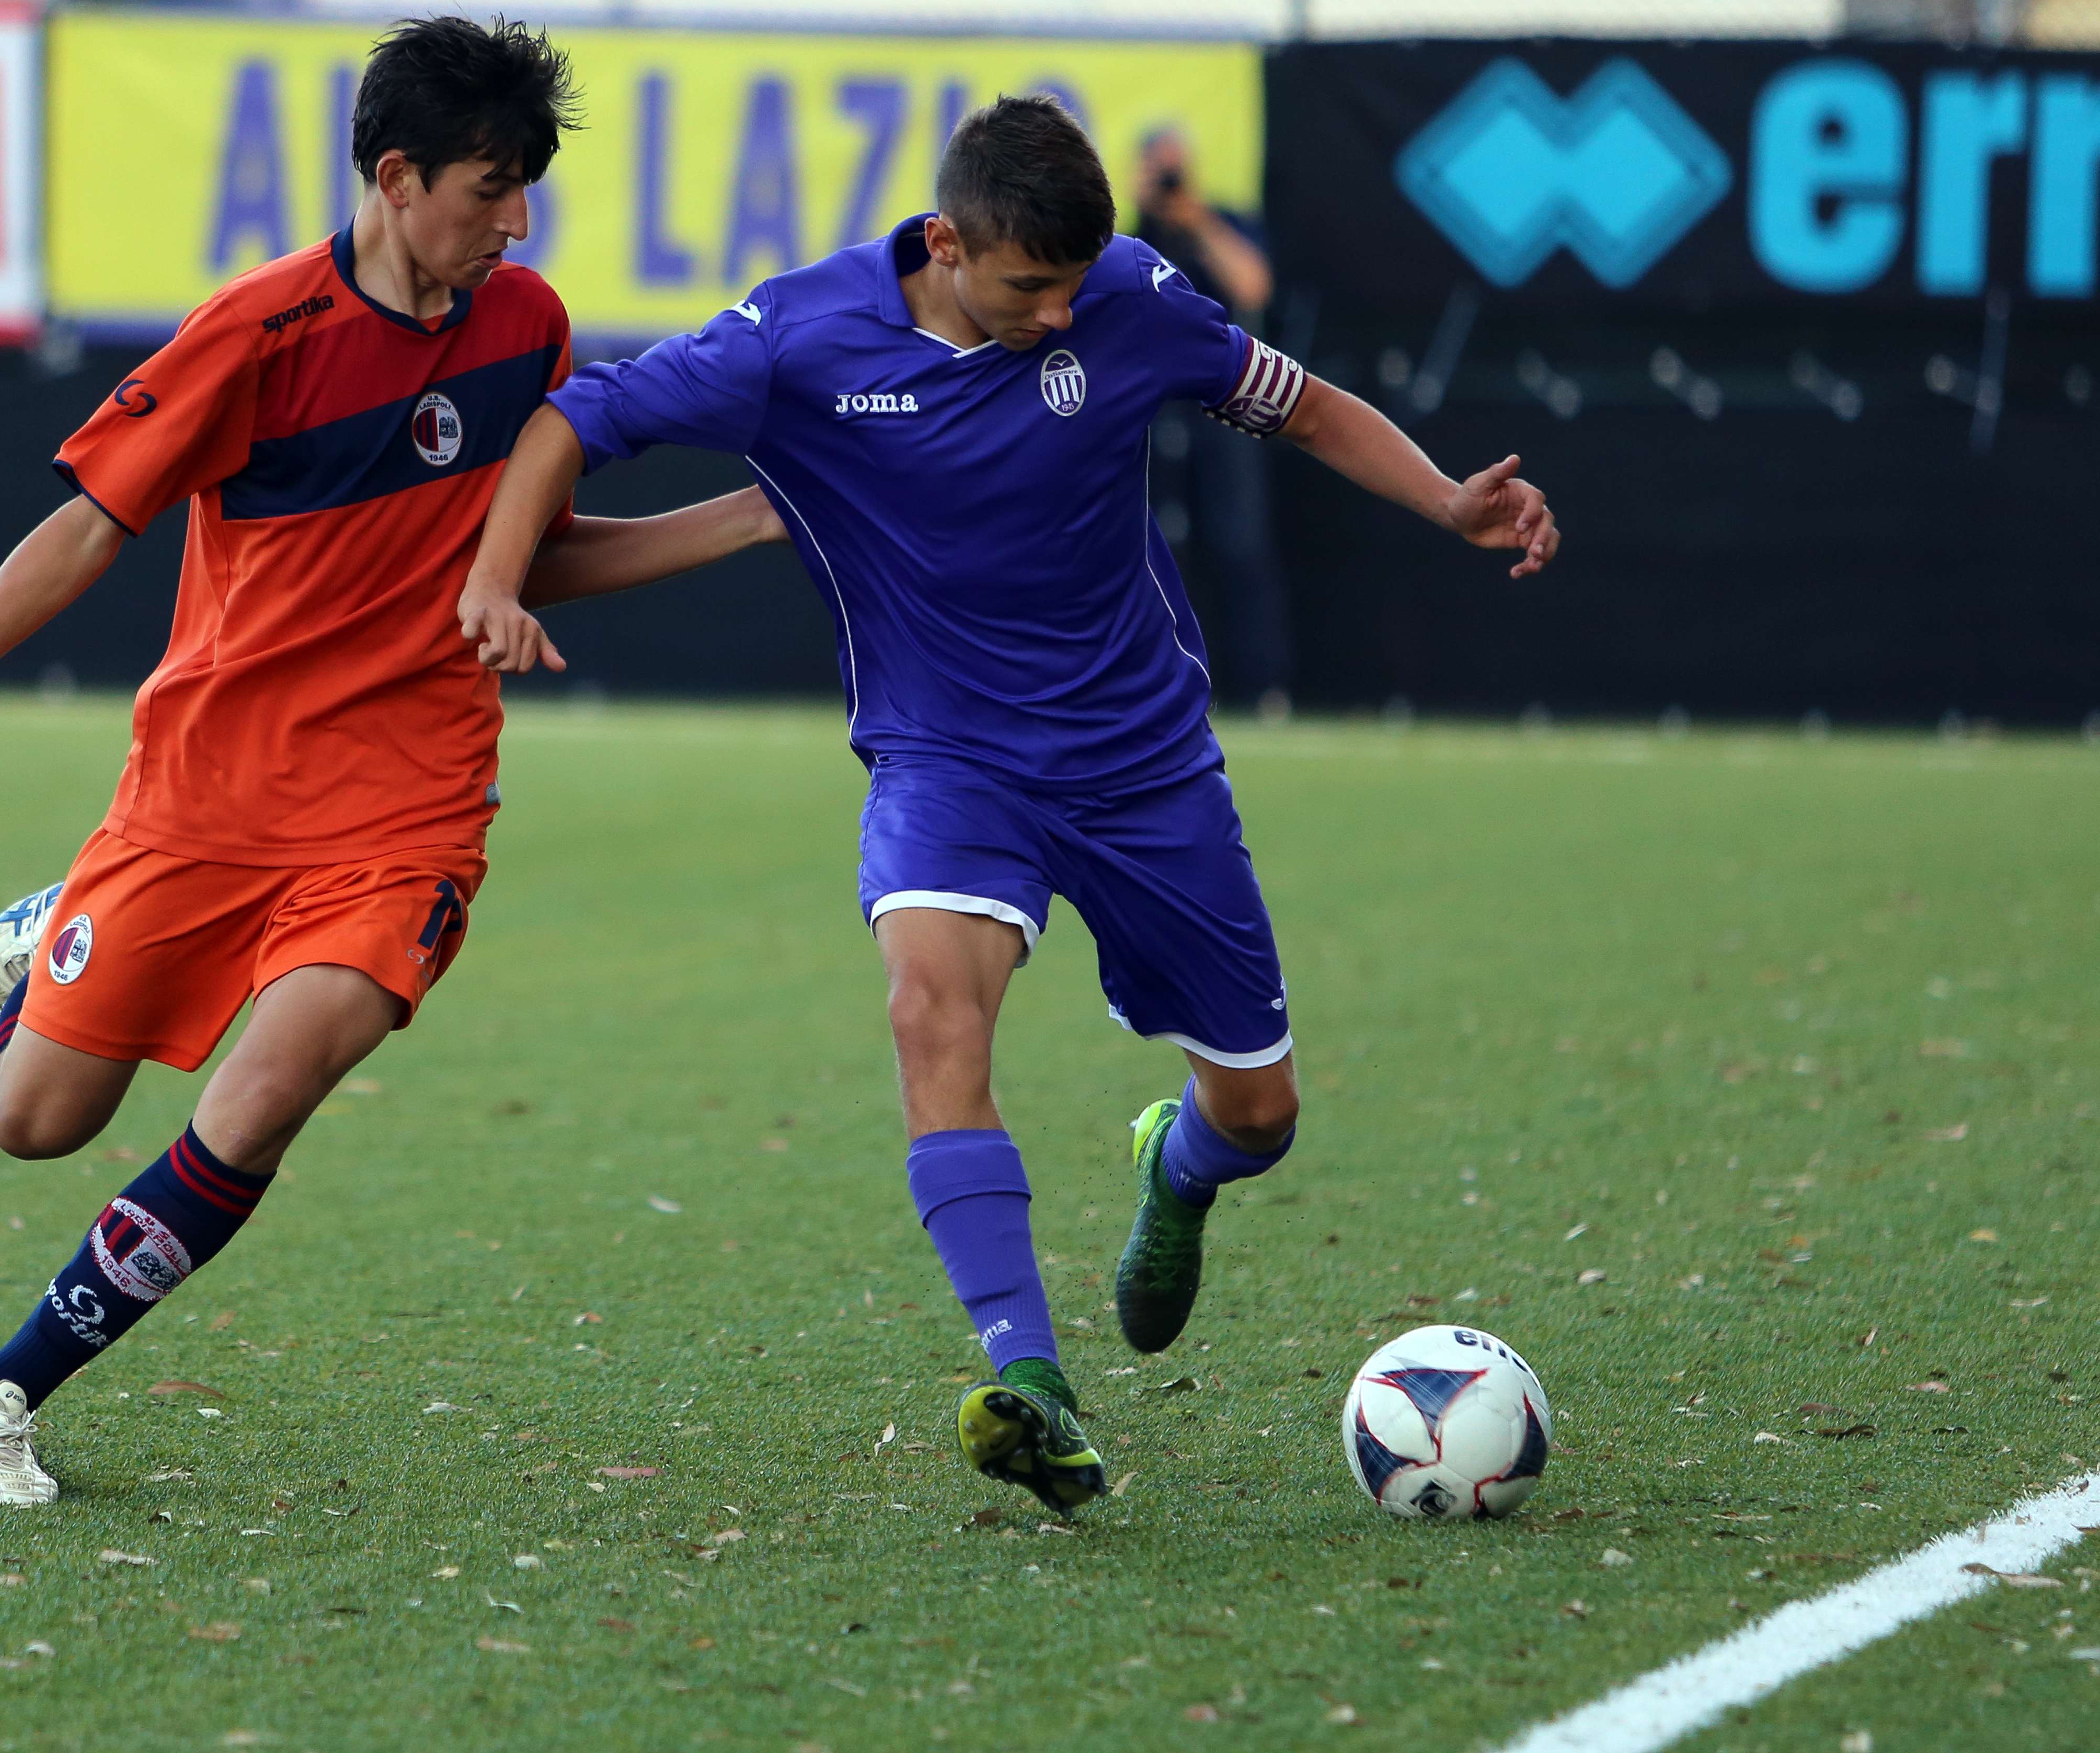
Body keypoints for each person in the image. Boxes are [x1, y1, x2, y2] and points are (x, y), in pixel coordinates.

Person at [456, 96, 1557, 1518]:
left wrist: (1445, 502)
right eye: (1027, 287)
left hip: (1142, 760)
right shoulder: (798, 338)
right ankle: (1029, 1378)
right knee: (931, 1011)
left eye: (1072, 287)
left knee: (1264, 1112)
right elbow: (571, 421)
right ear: (944, 243)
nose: (1057, 315)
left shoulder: (1134, 302)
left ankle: (1184, 1170)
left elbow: (1306, 405)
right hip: (946, 758)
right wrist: (490, 576)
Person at [0, 17, 780, 1506]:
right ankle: (51, 940)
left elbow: (515, 560)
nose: (517, 222)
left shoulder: (524, 326)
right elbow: (95, 519)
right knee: (36, 1123)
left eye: (530, 188)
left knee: (270, 1089)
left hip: (405, 808)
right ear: (396, 176)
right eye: (491, 188)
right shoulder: (261, 335)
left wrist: (748, 518)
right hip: (204, 796)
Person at [1129, 124, 1293, 717]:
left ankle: (1263, 685)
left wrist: (1196, 220)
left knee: (1240, 539)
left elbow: (1254, 285)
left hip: (1223, 406)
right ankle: (1164, 684)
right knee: (1156, 549)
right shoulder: (1130, 241)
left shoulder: (1221, 224)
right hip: (1151, 414)